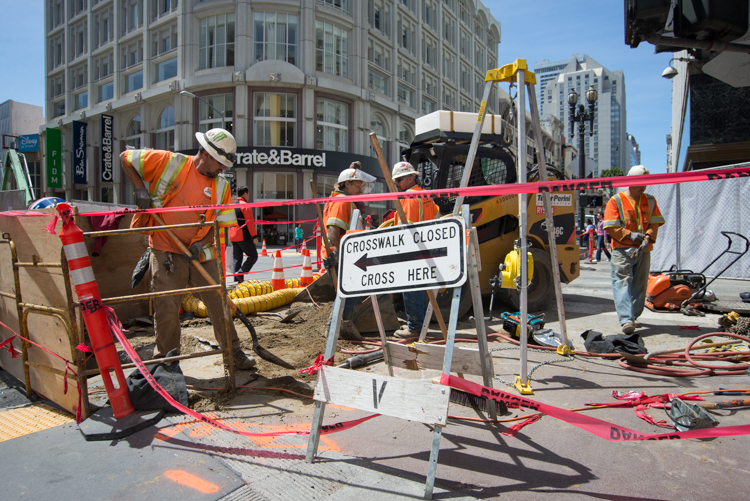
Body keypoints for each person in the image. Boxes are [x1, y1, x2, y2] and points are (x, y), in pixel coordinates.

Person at [119, 128, 256, 370]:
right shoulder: (169, 162)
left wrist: (200, 245)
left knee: (218, 302)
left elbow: (220, 225)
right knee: (167, 307)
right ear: (205, 153)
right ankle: (167, 361)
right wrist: (140, 189)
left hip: (201, 253)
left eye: (225, 164)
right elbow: (125, 158)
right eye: (219, 163)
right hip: (166, 250)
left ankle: (233, 352)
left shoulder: (221, 186)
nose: (222, 169)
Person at [603, 165, 665, 335]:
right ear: (630, 182)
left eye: (644, 183)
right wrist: (629, 235)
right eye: (639, 183)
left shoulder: (650, 200)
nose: (642, 187)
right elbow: (610, 226)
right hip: (622, 250)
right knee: (622, 282)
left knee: (640, 284)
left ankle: (634, 316)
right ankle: (626, 320)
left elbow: (654, 222)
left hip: (643, 249)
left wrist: (647, 237)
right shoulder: (616, 201)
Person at [322, 162, 376, 332]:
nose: (360, 190)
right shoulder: (341, 201)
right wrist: (337, 253)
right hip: (341, 256)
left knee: (346, 293)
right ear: (347, 184)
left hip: (344, 255)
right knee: (349, 293)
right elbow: (333, 229)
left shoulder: (344, 200)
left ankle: (338, 327)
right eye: (358, 185)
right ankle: (339, 328)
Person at [391, 161, 439, 338]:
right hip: (425, 246)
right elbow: (435, 214)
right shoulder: (424, 194)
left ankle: (414, 327)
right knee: (417, 286)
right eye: (395, 180)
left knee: (411, 287)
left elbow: (407, 227)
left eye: (400, 180)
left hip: (412, 249)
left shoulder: (410, 197)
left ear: (411, 178)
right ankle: (416, 324)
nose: (396, 184)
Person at [229, 186, 259, 284]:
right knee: (253, 255)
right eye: (248, 194)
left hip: (233, 235)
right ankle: (240, 273)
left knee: (237, 258)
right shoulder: (245, 205)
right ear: (245, 193)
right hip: (243, 235)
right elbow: (249, 222)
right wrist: (254, 236)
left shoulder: (232, 205)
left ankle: (237, 281)